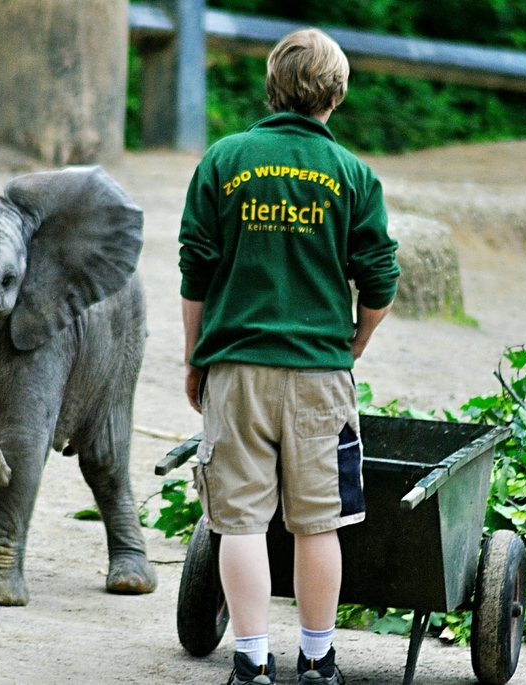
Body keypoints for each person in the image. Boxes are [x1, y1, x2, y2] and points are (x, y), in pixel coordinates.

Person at [178, 27, 399, 685]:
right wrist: (352, 344)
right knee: (318, 523)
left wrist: (197, 357)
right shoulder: (354, 174)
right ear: (337, 93)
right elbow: (381, 279)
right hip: (319, 376)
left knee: (239, 520)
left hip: (237, 369)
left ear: (272, 87)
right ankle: (318, 659)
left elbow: (196, 267)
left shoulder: (224, 159)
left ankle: (250, 663)